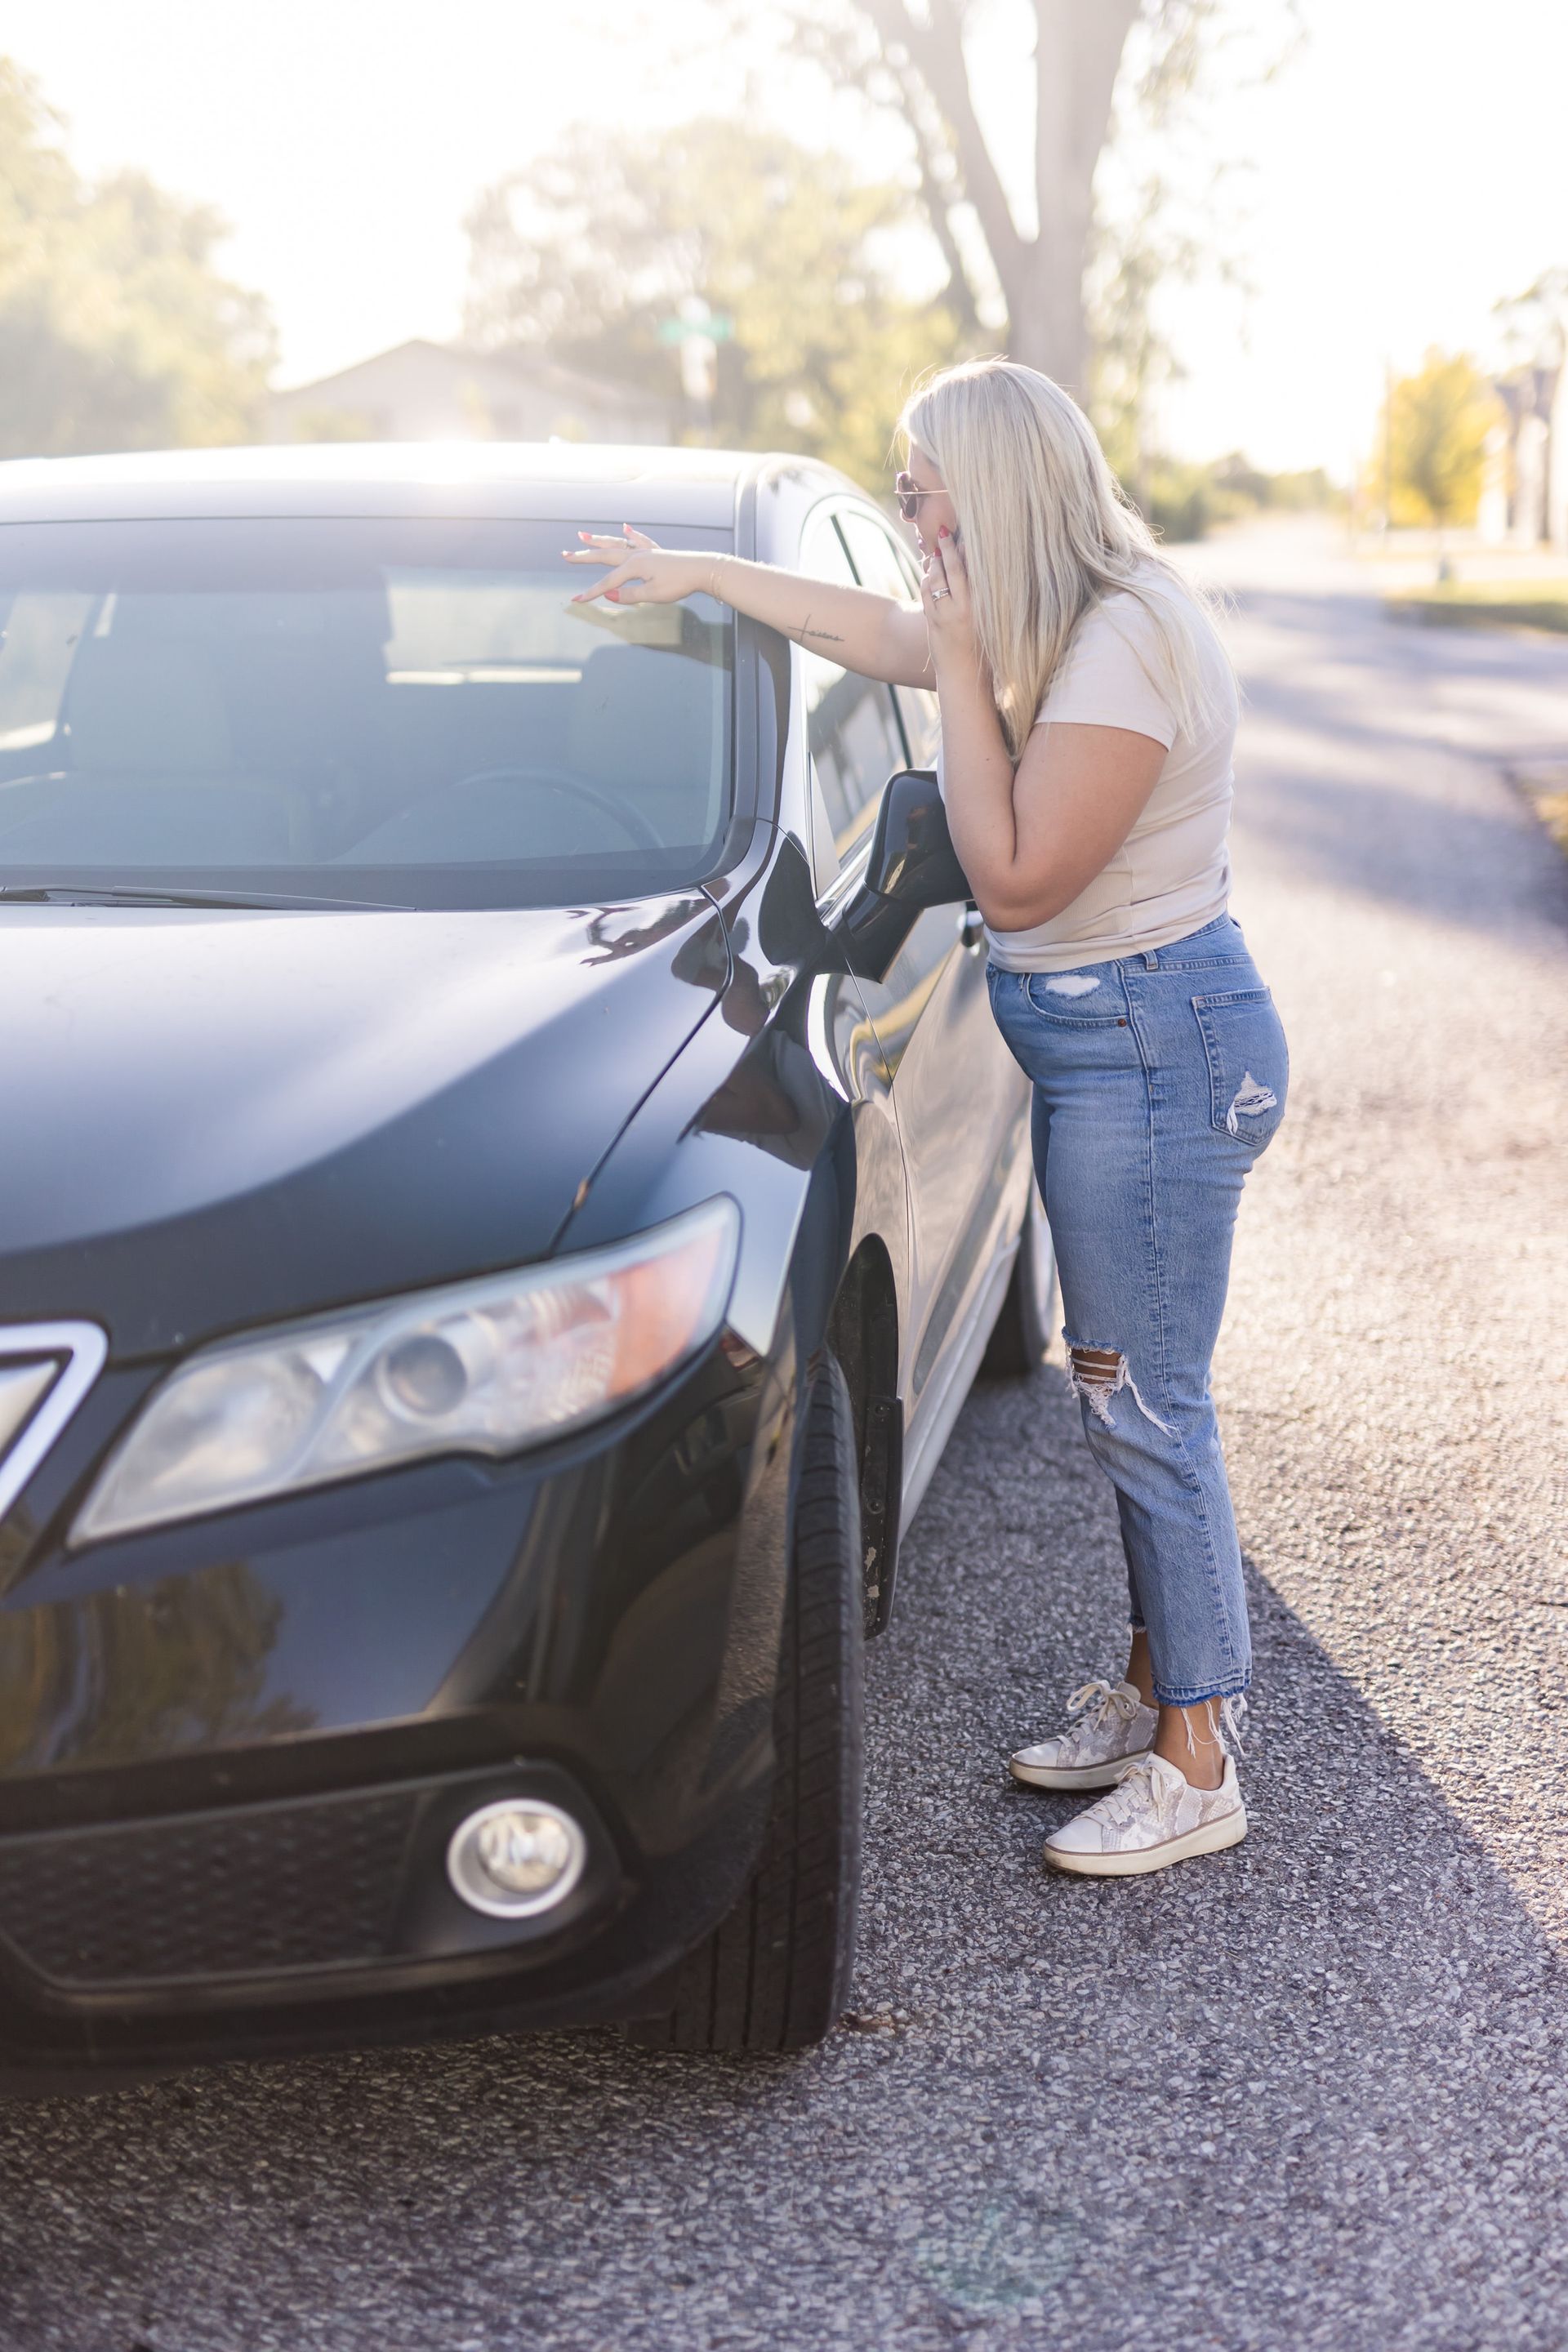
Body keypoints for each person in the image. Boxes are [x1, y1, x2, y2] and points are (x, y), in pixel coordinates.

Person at [564, 355, 1288, 1879]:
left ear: (1002, 485)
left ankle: (1201, 1756)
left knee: (1147, 1403)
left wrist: (955, 663)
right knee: (1120, 1387)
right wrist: (694, 571)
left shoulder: (1128, 641)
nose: (905, 503)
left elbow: (1018, 879)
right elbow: (864, 627)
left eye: (921, 478)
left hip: (1158, 1051)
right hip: (1111, 1048)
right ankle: (1162, 1696)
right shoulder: (1043, 622)